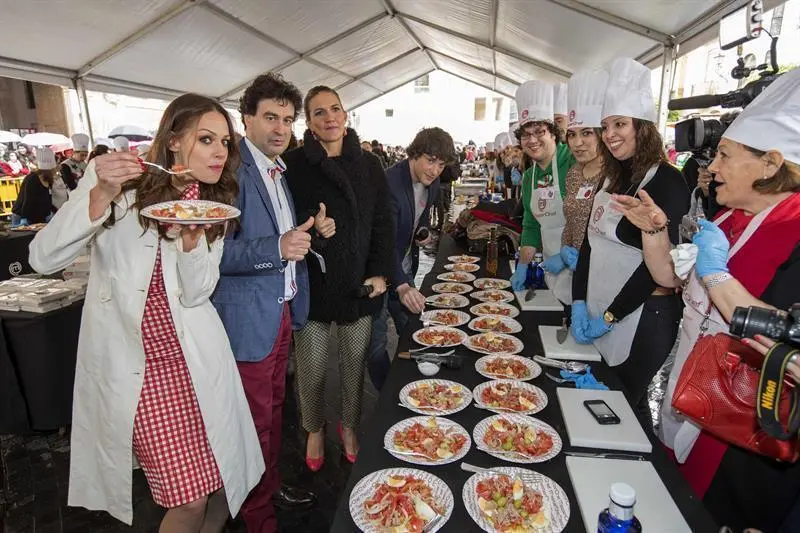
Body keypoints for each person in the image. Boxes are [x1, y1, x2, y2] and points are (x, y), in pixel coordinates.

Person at [28, 93, 264, 530]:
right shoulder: (121, 188)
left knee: (218, 485)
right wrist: (99, 193)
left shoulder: (212, 205)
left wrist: (193, 245)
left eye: (225, 143)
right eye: (206, 139)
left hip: (195, 361)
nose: (219, 152)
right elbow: (43, 258)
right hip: (137, 369)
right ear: (173, 141)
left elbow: (197, 294)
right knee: (188, 498)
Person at [612, 67, 800, 531]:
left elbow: (788, 347)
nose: (711, 167)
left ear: (771, 163)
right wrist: (655, 229)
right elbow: (671, 281)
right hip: (691, 399)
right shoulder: (729, 220)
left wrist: (717, 275)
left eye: (725, 156)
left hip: (746, 437)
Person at [211, 73, 318, 532]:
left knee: (275, 413)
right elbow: (215, 255)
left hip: (278, 311)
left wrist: (306, 238)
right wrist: (277, 248)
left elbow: (284, 238)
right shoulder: (232, 172)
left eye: (288, 120)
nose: (280, 129)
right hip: (247, 321)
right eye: (270, 117)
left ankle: (268, 487)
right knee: (254, 423)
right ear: (247, 118)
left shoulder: (277, 170)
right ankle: (256, 516)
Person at [285, 86, 394, 470]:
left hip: (358, 283)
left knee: (353, 366)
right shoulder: (293, 164)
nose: (329, 117)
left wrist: (380, 274)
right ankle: (314, 428)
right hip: (312, 283)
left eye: (335, 109)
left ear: (346, 115)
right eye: (318, 112)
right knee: (311, 367)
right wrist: (314, 228)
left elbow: (384, 222)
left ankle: (349, 427)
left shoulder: (369, 165)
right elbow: (286, 220)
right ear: (309, 122)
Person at [571, 57, 689, 408]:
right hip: (602, 310)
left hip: (643, 318)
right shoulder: (612, 178)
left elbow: (658, 266)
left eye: (620, 124)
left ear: (644, 127)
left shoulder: (667, 181)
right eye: (605, 126)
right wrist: (579, 300)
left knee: (626, 410)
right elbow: (590, 244)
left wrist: (611, 315)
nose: (609, 134)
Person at [367, 127, 456, 390]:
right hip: (378, 271)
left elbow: (421, 217)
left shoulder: (433, 182)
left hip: (404, 266)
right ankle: (387, 394)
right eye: (430, 160)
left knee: (413, 324)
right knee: (376, 341)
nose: (435, 170)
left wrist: (423, 231)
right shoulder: (390, 184)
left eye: (441, 164)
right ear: (414, 154)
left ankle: (414, 386)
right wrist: (403, 284)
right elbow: (383, 243)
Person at [509, 80, 576, 304]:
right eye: (525, 135)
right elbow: (531, 226)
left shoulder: (574, 162)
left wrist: (568, 256)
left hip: (583, 265)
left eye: (539, 132)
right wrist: (523, 265)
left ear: (554, 133)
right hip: (551, 267)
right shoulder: (529, 177)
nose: (532, 140)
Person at [549, 68, 609, 290]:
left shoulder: (614, 177)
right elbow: (571, 222)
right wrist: (565, 248)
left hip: (604, 276)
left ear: (602, 134)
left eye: (586, 133)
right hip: (576, 275)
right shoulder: (574, 173)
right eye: (572, 134)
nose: (577, 143)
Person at [12, 147, 56, 225]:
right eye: (53, 169)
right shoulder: (32, 178)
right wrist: (24, 218)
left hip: (37, 217)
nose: (55, 171)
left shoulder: (49, 179)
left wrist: (49, 212)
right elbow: (27, 199)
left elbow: (48, 198)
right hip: (22, 215)